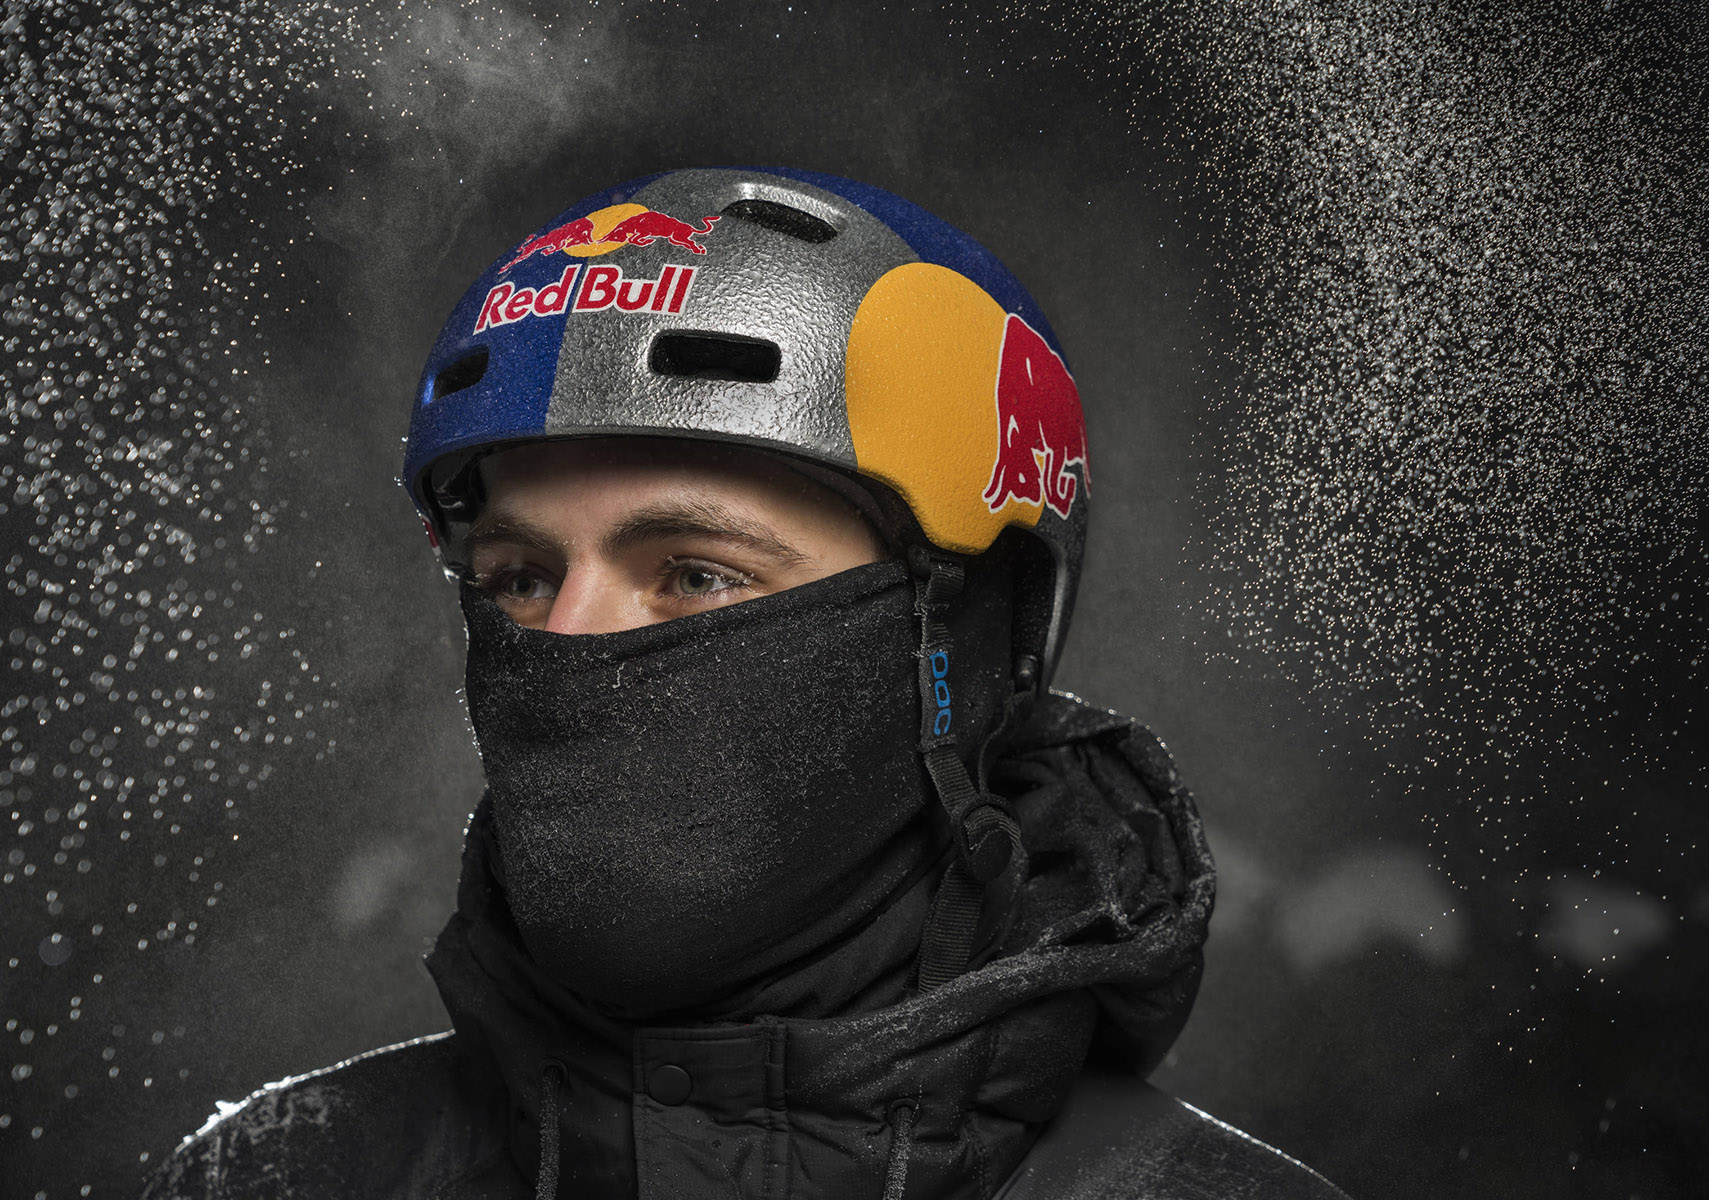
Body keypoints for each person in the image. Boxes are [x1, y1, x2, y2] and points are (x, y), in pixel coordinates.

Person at [140, 167, 1348, 1199]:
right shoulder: (280, 1177)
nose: (569, 644)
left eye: (698, 576)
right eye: (516, 576)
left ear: (963, 637)